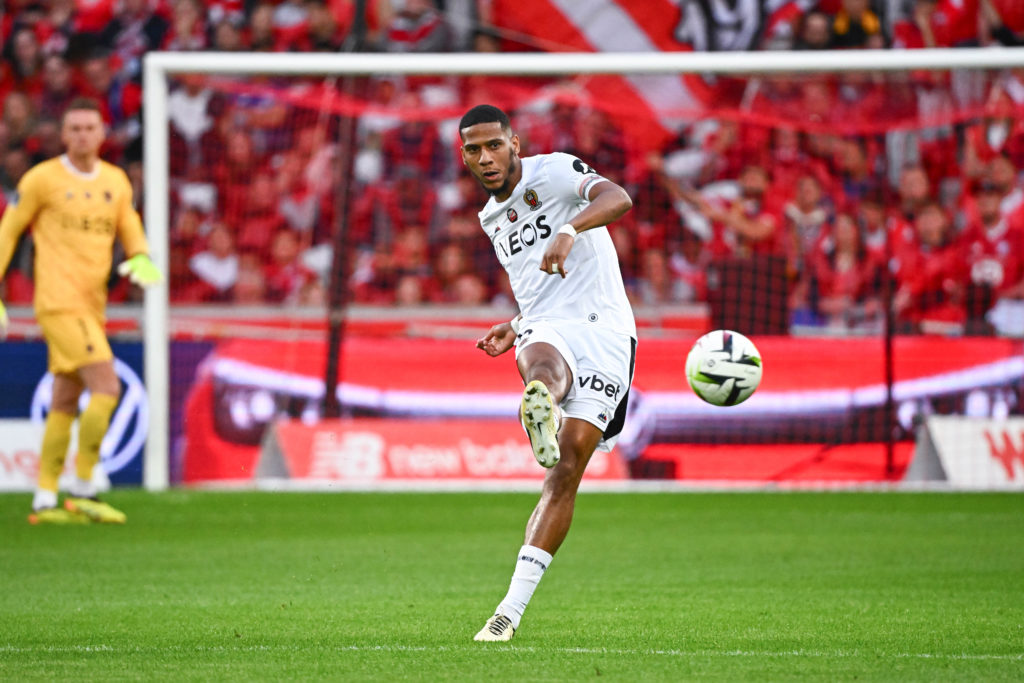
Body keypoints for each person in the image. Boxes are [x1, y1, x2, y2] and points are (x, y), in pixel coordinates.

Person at [461, 104, 636, 641]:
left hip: (607, 330)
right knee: (540, 362)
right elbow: (536, 289)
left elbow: (619, 198)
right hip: (546, 324)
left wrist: (568, 228)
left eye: (494, 145)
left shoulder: (555, 170)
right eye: (474, 150)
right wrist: (516, 323)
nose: (486, 158)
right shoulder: (490, 218)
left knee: (567, 468)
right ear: (464, 156)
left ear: (515, 143)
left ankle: (547, 406)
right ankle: (543, 398)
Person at [0, 98, 161, 525]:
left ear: (103, 134)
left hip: (93, 305)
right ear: (63, 134)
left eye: (90, 128)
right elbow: (9, 230)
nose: (82, 135)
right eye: (74, 128)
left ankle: (44, 498)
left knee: (65, 399)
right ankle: (85, 488)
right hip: (57, 302)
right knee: (107, 387)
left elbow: (127, 221)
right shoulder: (42, 180)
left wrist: (141, 254)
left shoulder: (115, 181)